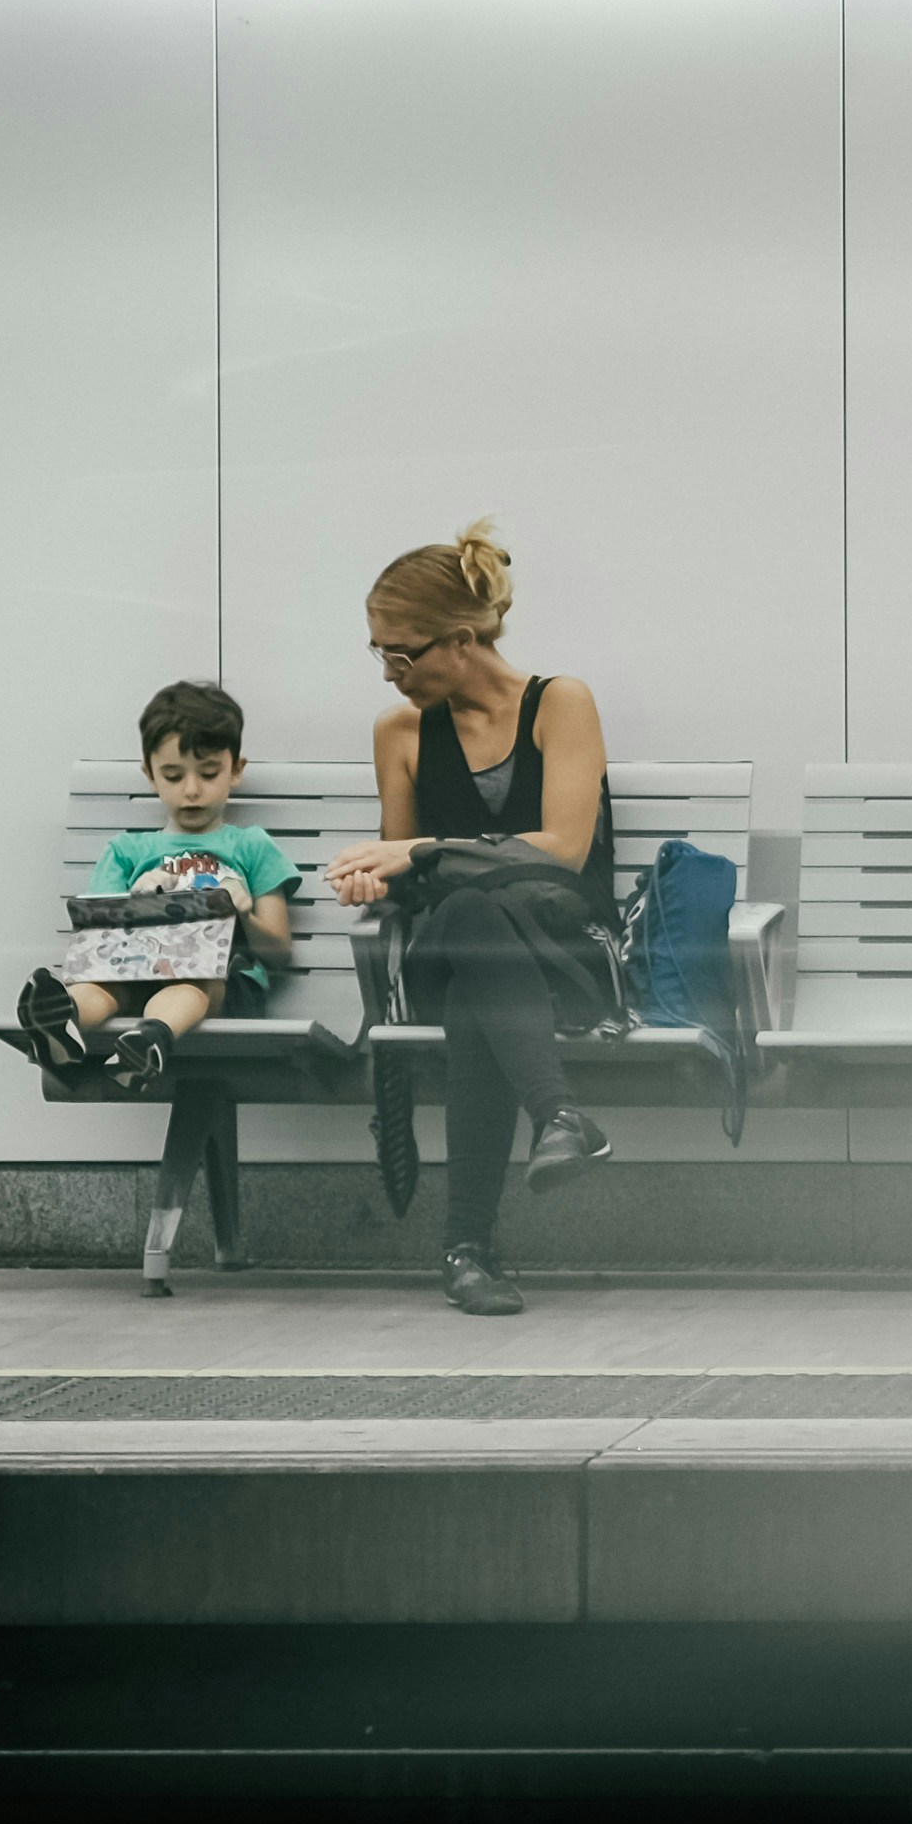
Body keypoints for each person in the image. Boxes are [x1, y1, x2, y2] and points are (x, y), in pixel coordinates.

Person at [310, 522, 619, 1315]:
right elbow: (407, 875)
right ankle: (558, 1113)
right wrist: (371, 880)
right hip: (446, 944)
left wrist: (420, 852)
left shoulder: (561, 703)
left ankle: (466, 1250)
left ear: (459, 640)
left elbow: (564, 850)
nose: (387, 673)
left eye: (400, 653)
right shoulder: (402, 732)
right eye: (377, 651)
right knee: (470, 913)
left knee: (479, 951)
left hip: (558, 950)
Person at [0, 679, 301, 1091]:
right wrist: (135, 900)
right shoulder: (127, 851)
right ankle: (60, 1023)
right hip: (138, 971)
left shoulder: (251, 846)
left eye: (209, 773)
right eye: (173, 775)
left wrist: (242, 913)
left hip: (225, 984)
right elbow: (94, 940)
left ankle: (149, 1040)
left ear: (236, 771)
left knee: (194, 978)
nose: (191, 790)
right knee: (101, 981)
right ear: (150, 775)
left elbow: (279, 952)